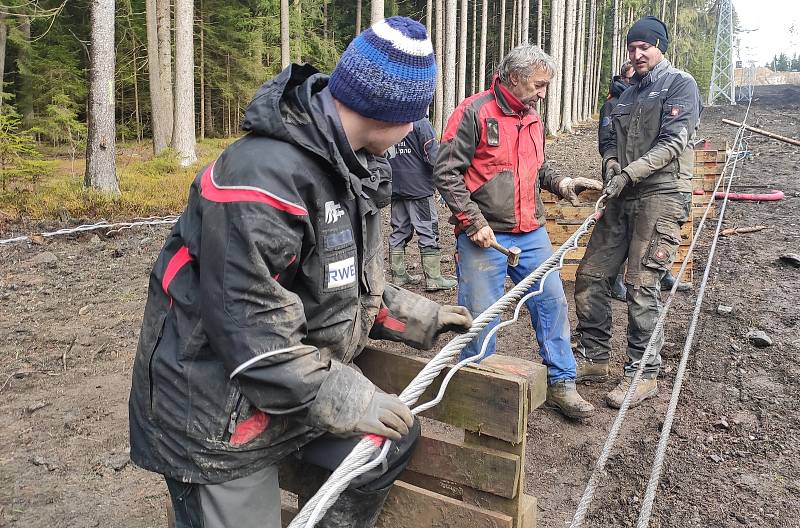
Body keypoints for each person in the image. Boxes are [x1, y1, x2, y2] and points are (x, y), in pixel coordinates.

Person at [128, 17, 473, 528]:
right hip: (216, 413)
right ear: (393, 113)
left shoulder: (351, 165)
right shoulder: (260, 179)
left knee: (385, 446)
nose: (414, 133)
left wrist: (424, 317)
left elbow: (340, 279)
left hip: (286, 392)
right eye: (417, 117)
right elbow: (250, 328)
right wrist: (350, 396)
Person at [435, 44, 601, 419]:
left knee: (553, 304)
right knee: (480, 316)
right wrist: (471, 222)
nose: (543, 93)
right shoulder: (473, 112)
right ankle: (477, 393)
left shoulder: (532, 117)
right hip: (485, 237)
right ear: (514, 77)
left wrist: (562, 183)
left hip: (532, 235)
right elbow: (446, 173)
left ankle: (562, 384)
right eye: (539, 85)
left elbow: (538, 167)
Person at [574, 16, 702, 408]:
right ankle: (594, 357)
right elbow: (609, 140)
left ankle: (643, 373)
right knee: (590, 274)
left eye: (645, 46)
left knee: (642, 285)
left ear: (660, 46)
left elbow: (672, 143)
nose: (637, 52)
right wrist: (612, 164)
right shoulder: (625, 94)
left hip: (661, 193)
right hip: (623, 194)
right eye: (632, 47)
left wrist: (627, 173)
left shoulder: (679, 84)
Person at [386, 117, 456, 290]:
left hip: (395, 185)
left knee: (399, 229)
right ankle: (433, 278)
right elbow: (433, 157)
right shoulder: (421, 123)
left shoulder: (391, 121)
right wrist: (445, 180)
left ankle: (399, 275)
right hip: (418, 189)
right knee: (428, 230)